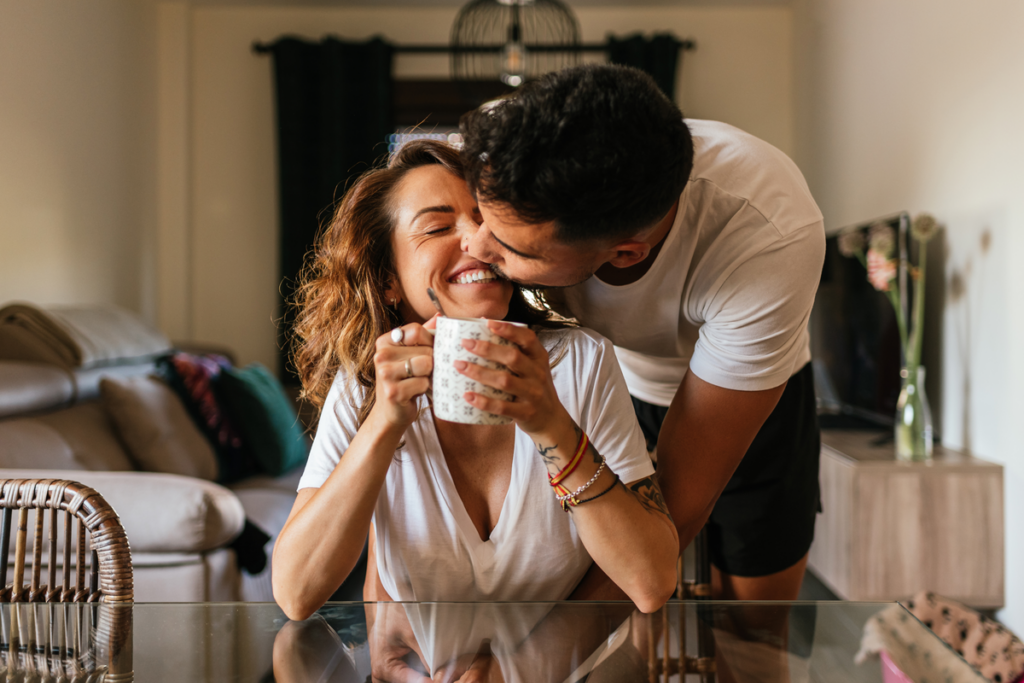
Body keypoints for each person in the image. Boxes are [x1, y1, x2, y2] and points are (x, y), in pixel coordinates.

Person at [271, 139, 679, 626]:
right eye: (439, 227)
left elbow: (651, 582)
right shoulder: (364, 382)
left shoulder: (580, 362)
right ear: (388, 279)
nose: (477, 241)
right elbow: (296, 594)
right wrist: (384, 420)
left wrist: (551, 424)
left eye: (487, 221)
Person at [458, 64, 826, 602]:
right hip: (616, 388)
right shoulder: (504, 144)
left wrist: (536, 659)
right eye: (475, 216)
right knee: (640, 629)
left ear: (627, 251)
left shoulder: (768, 232)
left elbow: (677, 510)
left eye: (514, 250)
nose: (475, 247)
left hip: (752, 399)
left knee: (754, 622)